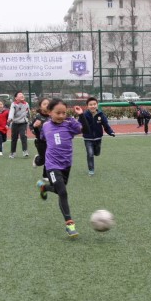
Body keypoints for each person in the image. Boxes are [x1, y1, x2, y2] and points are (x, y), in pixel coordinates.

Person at [36, 99, 89, 238]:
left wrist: (81, 115)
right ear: (49, 112)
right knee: (63, 192)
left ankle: (44, 188)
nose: (61, 115)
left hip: (66, 164)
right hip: (52, 165)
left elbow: (86, 131)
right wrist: (40, 156)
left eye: (64, 113)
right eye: (57, 112)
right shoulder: (46, 126)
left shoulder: (70, 123)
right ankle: (69, 224)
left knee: (59, 190)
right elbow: (41, 140)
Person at [81, 97, 115, 175]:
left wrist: (111, 132)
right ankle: (91, 169)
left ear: (97, 105)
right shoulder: (84, 115)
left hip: (98, 138)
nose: (92, 106)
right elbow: (79, 124)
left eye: (94, 104)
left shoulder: (101, 115)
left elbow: (106, 125)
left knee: (96, 152)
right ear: (87, 106)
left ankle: (96, 152)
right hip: (87, 138)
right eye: (90, 105)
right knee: (90, 153)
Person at [30, 97, 50, 176]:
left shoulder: (52, 115)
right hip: (40, 141)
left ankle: (45, 175)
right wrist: (35, 126)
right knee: (43, 159)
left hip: (50, 141)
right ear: (40, 106)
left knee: (49, 157)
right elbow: (31, 126)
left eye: (48, 104)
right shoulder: (37, 117)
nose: (46, 105)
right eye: (44, 104)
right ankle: (36, 160)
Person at [8, 90, 30, 158]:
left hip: (23, 123)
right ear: (16, 98)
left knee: (23, 136)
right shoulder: (14, 104)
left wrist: (29, 119)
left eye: (22, 94)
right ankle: (13, 152)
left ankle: (25, 151)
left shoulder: (26, 104)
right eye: (20, 94)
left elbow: (28, 112)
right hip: (15, 123)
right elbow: (11, 111)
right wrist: (10, 118)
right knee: (14, 138)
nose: (22, 95)